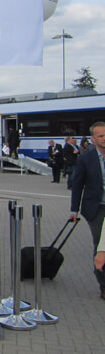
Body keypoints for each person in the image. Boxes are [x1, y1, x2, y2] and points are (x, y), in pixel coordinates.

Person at [69, 121, 105, 300]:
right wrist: (73, 210)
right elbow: (78, 184)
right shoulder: (86, 159)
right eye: (101, 136)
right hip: (96, 208)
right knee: (101, 245)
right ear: (93, 139)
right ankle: (104, 285)